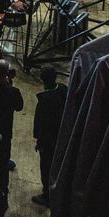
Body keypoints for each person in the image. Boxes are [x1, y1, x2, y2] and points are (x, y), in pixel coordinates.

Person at [32, 66, 67, 208]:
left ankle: (47, 195)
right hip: (63, 137)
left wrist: (39, 142)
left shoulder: (45, 100)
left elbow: (42, 126)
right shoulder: (63, 89)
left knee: (46, 167)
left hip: (49, 142)